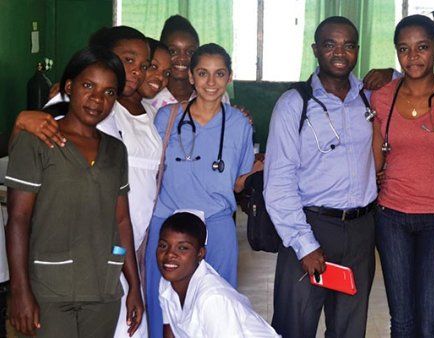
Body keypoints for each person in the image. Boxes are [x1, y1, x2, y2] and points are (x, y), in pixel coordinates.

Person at [13, 26, 154, 338]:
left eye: (108, 92)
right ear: (68, 86)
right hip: (50, 289)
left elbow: (121, 222)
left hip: (103, 290)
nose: (96, 99)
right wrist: (20, 290)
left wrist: (133, 286)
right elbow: (19, 219)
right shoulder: (39, 138)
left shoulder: (115, 150)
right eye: (88, 85)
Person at [264, 16, 376, 338]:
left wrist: (390, 73)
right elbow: (278, 182)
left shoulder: (368, 98)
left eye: (348, 45)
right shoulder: (293, 105)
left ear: (357, 50)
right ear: (315, 50)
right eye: (330, 44)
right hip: (310, 226)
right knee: (295, 326)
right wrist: (304, 244)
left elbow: (409, 81)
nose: (340, 52)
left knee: (349, 328)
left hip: (359, 231)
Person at [145, 43, 254, 337]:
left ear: (229, 77)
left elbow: (238, 181)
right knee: (161, 307)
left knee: (216, 309)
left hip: (215, 226)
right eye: (203, 73)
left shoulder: (239, 123)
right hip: (168, 226)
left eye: (219, 74)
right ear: (191, 76)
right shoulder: (166, 117)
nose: (211, 82)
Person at [370, 15, 434, 338]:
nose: (413, 57)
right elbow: (375, 155)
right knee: (403, 319)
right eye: (404, 49)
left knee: (430, 318)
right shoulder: (382, 96)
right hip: (391, 217)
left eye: (422, 47)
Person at [157, 210, 279, 338]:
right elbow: (170, 330)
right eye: (163, 245)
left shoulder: (213, 299)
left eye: (182, 248)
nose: (170, 254)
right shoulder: (167, 283)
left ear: (200, 253)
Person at [139, 38, 172, 117]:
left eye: (167, 73)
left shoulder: (154, 113)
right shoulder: (110, 110)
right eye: (153, 66)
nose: (161, 77)